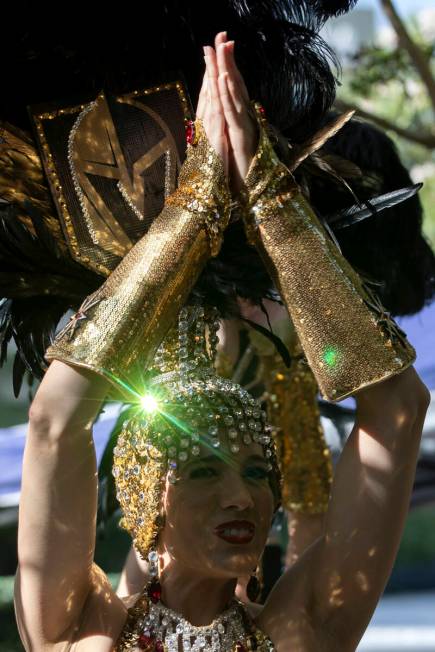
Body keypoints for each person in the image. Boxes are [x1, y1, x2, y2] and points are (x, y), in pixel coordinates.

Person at [13, 35, 430, 652]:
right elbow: (54, 423)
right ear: (147, 494)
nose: (243, 497)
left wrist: (269, 203)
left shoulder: (300, 631)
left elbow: (397, 411)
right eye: (206, 468)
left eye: (260, 471)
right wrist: (197, 206)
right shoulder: (82, 635)